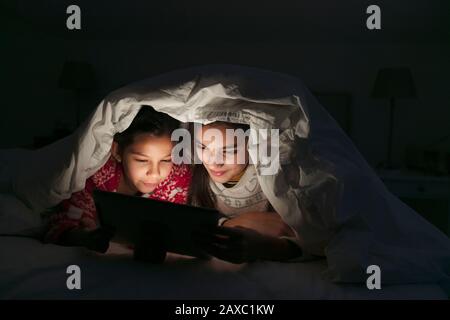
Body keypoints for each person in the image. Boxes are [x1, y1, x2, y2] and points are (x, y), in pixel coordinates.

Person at [44, 106, 191, 260]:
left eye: (166, 160)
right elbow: (59, 223)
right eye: (142, 160)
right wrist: (84, 237)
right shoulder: (96, 174)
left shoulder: (177, 174)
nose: (155, 172)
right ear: (117, 151)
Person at [188, 121, 303, 263]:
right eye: (203, 147)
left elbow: (317, 241)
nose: (213, 162)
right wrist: (231, 224)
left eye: (229, 151)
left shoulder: (278, 174)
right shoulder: (196, 174)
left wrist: (264, 246)